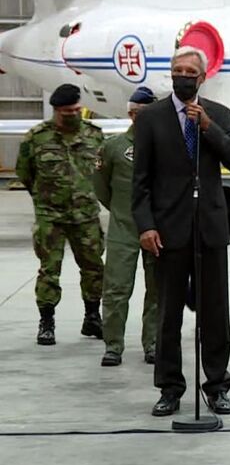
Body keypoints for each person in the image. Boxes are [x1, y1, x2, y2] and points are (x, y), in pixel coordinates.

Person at [132, 46, 230, 417]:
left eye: (189, 71)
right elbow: (141, 180)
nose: (182, 76)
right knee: (168, 315)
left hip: (209, 228)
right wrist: (146, 225)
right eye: (176, 70)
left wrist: (208, 128)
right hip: (168, 230)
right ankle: (169, 387)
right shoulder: (151, 118)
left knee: (215, 313)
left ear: (202, 77)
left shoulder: (219, 115)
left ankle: (216, 385)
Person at [16, 83, 105, 346]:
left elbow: (103, 173)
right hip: (50, 216)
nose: (73, 114)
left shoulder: (95, 136)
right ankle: (47, 322)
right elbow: (25, 173)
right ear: (56, 110)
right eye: (67, 111)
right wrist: (45, 198)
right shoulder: (37, 137)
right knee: (49, 270)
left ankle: (92, 317)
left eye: (77, 109)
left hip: (86, 215)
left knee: (93, 268)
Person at [95, 87, 159, 367]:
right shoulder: (113, 148)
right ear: (131, 114)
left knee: (158, 289)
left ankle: (153, 343)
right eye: (141, 114)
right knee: (117, 288)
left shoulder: (167, 147)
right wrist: (123, 213)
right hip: (124, 228)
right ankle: (113, 345)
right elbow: (101, 188)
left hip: (158, 227)